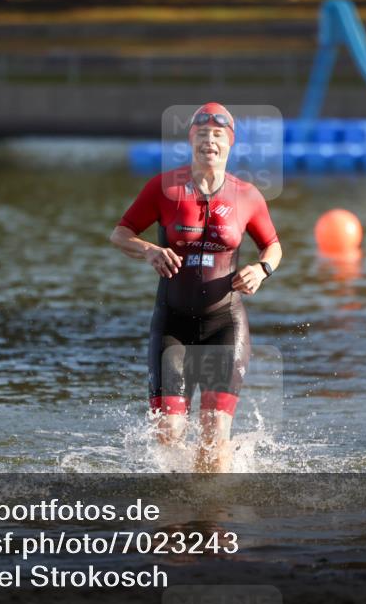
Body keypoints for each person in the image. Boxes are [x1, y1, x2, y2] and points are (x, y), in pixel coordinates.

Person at [110, 102, 283, 472]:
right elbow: (120, 234)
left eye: (218, 136)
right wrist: (149, 250)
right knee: (169, 432)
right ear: (191, 141)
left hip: (225, 324)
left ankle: (212, 518)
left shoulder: (248, 195)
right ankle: (175, 512)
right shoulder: (163, 187)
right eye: (202, 135)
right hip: (173, 324)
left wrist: (262, 268)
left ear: (230, 144)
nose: (209, 142)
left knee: (213, 433)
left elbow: (274, 244)